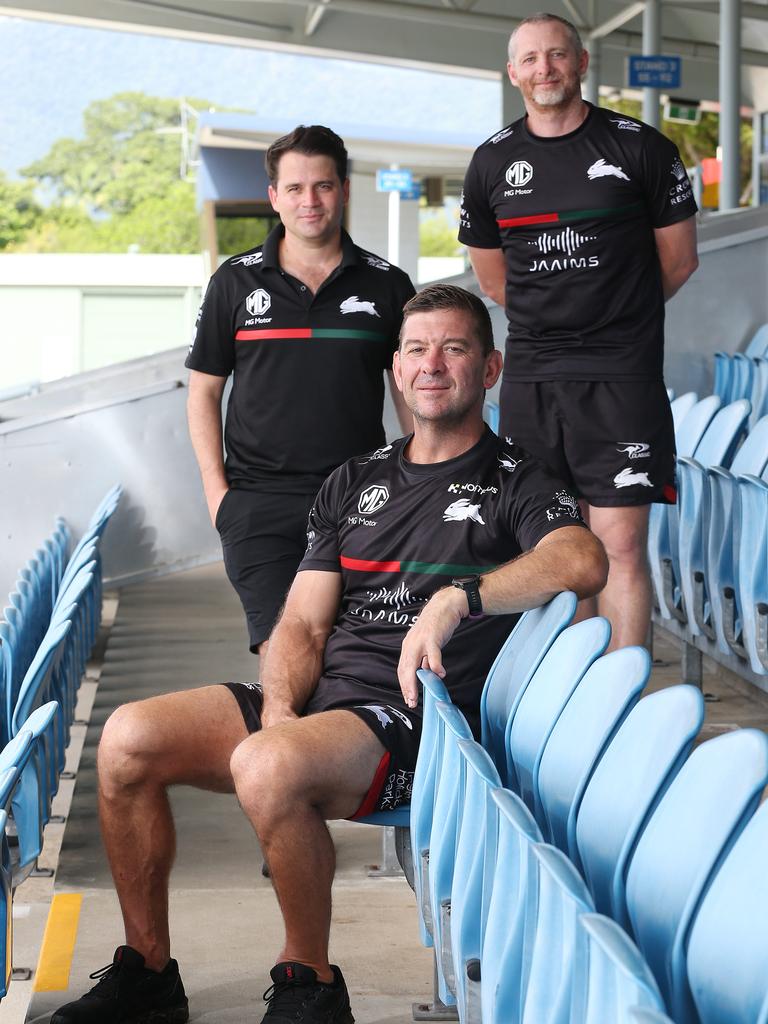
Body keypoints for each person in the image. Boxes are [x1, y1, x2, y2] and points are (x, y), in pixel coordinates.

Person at [51, 284, 607, 1024]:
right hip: (321, 707)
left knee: (268, 764)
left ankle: (308, 981)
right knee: (126, 741)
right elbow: (304, 626)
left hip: (415, 720)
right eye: (414, 349)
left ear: (490, 368)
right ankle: (149, 972)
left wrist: (459, 598)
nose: (430, 364)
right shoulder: (355, 480)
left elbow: (582, 560)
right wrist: (279, 704)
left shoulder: (517, 480)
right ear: (397, 368)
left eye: (454, 348)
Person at [458, 12, 699, 649]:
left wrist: (617, 315)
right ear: (513, 73)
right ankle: (575, 699)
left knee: (620, 546)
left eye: (558, 55)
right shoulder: (492, 162)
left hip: (622, 376)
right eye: (531, 59)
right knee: (555, 547)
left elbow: (678, 261)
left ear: (582, 62)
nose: (545, 69)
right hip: (534, 378)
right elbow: (493, 281)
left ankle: (620, 712)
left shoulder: (640, 147)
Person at [186, 124, 415, 656]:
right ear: (274, 197)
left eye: (323, 186)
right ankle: (279, 738)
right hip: (257, 503)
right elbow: (203, 393)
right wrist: (218, 496)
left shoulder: (387, 285)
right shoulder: (235, 282)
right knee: (282, 649)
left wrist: (415, 483)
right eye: (294, 188)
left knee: (346, 648)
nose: (309, 201)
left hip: (360, 499)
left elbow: (409, 393)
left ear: (344, 190)